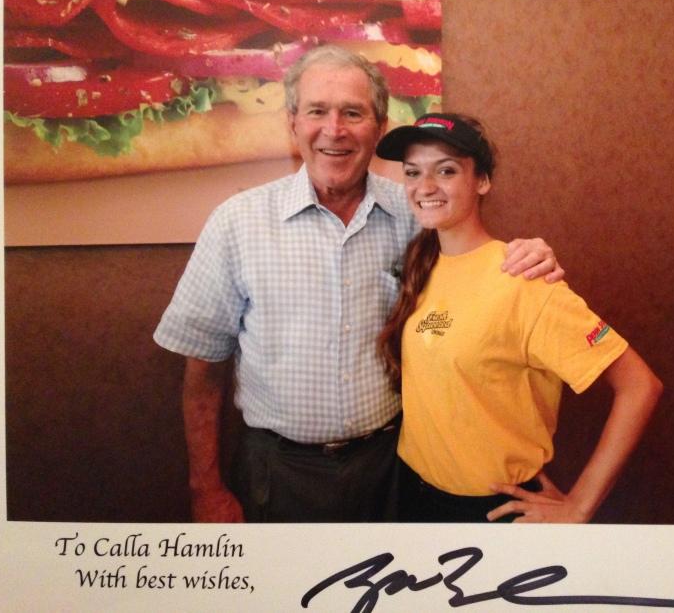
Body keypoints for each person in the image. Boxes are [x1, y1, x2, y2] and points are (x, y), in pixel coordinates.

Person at [154, 46, 563, 523]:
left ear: (380, 126)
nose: (335, 130)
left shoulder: (416, 217)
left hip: (394, 467)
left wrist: (531, 254)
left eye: (353, 113)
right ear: (292, 123)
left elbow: (475, 261)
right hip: (277, 472)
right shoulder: (237, 223)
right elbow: (203, 373)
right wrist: (206, 488)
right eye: (317, 112)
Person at [376, 113, 664, 523]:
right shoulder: (421, 264)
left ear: (482, 181)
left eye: (446, 170)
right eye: (413, 172)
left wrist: (580, 504)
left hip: (491, 511)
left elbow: (640, 386)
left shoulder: (524, 280)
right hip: (412, 495)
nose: (425, 187)